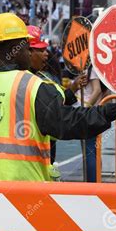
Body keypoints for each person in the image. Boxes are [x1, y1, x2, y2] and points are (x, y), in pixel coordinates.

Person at [0, 13, 116, 182]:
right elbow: (68, 122)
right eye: (27, 47)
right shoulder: (33, 86)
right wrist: (114, 109)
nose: (29, 53)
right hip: (23, 185)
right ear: (16, 49)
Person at [27, 25, 87, 165]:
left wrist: (73, 88)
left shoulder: (44, 77)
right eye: (41, 50)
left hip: (47, 140)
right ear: (27, 51)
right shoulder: (25, 79)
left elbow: (59, 102)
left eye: (45, 49)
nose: (46, 53)